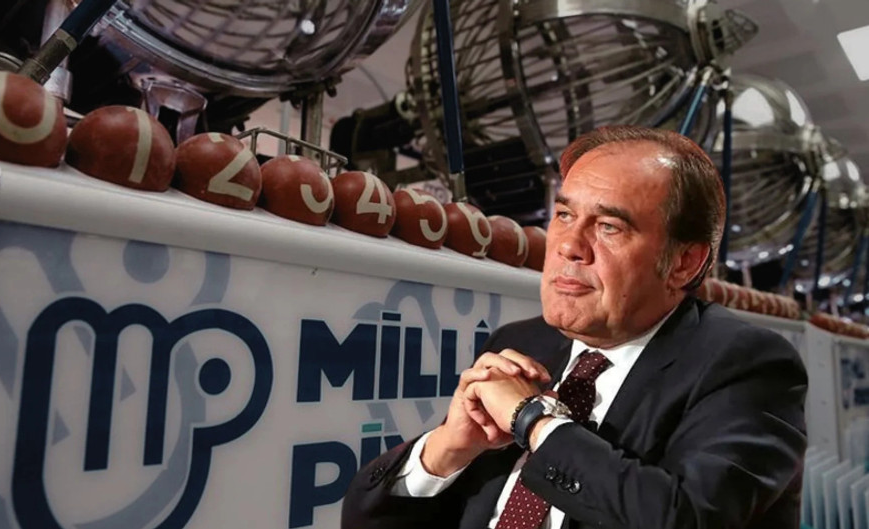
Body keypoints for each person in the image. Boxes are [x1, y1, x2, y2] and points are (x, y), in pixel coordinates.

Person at [340, 125, 807, 529]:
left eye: (609, 226)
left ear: (683, 262)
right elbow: (364, 517)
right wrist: (446, 452)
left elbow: (683, 517)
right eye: (564, 215)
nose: (568, 246)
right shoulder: (520, 343)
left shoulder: (747, 365)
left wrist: (533, 422)